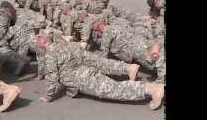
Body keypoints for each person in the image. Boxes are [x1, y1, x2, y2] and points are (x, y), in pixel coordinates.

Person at [36, 35, 164, 110]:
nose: (36, 41)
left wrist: (48, 96)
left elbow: (52, 78)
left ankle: (151, 89)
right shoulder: (65, 45)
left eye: (38, 39)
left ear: (43, 43)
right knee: (114, 86)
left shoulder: (50, 55)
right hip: (85, 72)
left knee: (114, 90)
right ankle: (150, 87)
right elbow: (81, 57)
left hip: (81, 79)